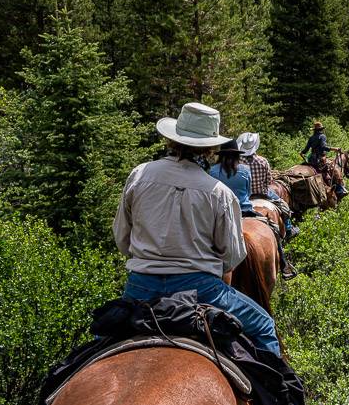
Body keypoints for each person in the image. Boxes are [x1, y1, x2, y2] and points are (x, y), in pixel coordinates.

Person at [113, 102, 281, 356]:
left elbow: (122, 239)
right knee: (264, 326)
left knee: (98, 340)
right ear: (211, 147)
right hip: (202, 291)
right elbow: (231, 257)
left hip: (140, 288)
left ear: (172, 139)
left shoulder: (139, 175)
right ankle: (277, 394)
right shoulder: (218, 193)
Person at [210, 140, 297, 281]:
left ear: (221, 155)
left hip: (221, 214)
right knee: (273, 229)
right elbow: (249, 193)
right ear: (237, 155)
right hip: (245, 210)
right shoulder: (245, 170)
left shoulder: (213, 171)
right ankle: (284, 264)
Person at [238, 132, 299, 239]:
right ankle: (289, 229)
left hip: (245, 196)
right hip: (263, 194)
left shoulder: (238, 162)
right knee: (284, 206)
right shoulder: (263, 161)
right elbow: (269, 181)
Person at [300, 121, 348, 196]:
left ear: (314, 130)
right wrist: (334, 148)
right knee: (333, 169)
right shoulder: (322, 136)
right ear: (321, 129)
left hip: (311, 159)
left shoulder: (311, 138)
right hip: (320, 159)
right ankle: (339, 188)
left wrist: (302, 152)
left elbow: (306, 149)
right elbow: (323, 147)